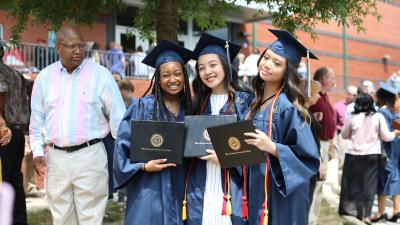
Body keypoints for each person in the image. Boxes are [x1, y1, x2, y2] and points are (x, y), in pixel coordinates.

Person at [29, 26, 126, 225]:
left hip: (90, 156)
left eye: (81, 46)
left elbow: (118, 118)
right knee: (61, 218)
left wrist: (122, 153)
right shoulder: (44, 78)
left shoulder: (101, 75)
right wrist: (38, 151)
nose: (78, 51)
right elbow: (37, 119)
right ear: (58, 48)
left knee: (90, 218)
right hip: (55, 158)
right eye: (72, 46)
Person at [243, 29, 320, 225]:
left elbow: (308, 159)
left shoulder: (288, 108)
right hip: (256, 187)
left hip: (281, 193)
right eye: (266, 57)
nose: (267, 65)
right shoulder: (255, 103)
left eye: (277, 63)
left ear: (287, 71)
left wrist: (273, 147)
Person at [113, 40, 193, 225]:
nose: (172, 80)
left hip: (183, 186)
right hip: (149, 188)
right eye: (166, 75)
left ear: (185, 76)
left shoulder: (191, 109)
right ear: (157, 78)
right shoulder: (143, 107)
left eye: (177, 74)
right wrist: (142, 166)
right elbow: (122, 147)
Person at [184, 33, 253, 225]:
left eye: (213, 65)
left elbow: (252, 151)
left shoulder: (244, 101)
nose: (207, 72)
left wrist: (225, 157)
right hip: (200, 185)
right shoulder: (197, 104)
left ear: (225, 65)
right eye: (202, 68)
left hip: (231, 186)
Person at [339, 92, 400, 225]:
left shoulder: (352, 117)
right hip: (372, 156)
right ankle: (366, 215)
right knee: (368, 186)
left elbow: (344, 135)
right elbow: (387, 137)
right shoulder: (377, 117)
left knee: (352, 184)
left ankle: (350, 210)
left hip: (353, 155)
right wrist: (395, 132)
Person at [0, 42, 29, 225]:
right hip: (17, 131)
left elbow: (1, 94)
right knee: (14, 180)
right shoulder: (15, 73)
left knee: (3, 180)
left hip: (5, 131)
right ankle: (18, 221)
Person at [308, 66, 338, 225]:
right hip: (316, 144)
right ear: (325, 79)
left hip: (326, 144)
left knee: (320, 185)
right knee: (314, 184)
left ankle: (313, 220)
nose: (334, 82)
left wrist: (332, 142)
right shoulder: (314, 97)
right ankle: (308, 220)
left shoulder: (325, 97)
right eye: (332, 78)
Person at [371, 82, 400, 223]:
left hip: (386, 149)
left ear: (381, 97)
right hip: (395, 149)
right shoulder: (393, 113)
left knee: (382, 180)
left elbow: (382, 133)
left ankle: (381, 211)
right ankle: (396, 210)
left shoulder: (381, 112)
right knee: (395, 178)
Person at [299, 79, 324, 211]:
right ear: (308, 93)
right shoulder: (301, 113)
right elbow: (309, 143)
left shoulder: (306, 112)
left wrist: (313, 117)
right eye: (316, 93)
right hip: (309, 165)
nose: (319, 96)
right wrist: (318, 162)